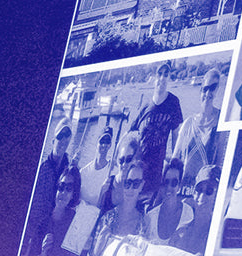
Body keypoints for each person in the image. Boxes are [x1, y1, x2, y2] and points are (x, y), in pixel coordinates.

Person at [128, 62, 183, 201]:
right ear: (154, 77)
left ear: (169, 78)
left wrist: (175, 158)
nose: (162, 78)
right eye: (159, 74)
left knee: (151, 202)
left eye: (166, 74)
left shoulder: (173, 102)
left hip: (157, 167)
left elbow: (176, 134)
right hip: (139, 165)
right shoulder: (146, 105)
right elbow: (130, 134)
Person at [22, 122, 73, 256]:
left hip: (56, 229)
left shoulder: (70, 171)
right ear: (52, 140)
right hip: (37, 229)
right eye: (60, 136)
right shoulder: (41, 169)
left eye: (67, 135)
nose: (63, 140)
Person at [173, 67, 224, 190]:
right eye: (205, 89)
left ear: (217, 90)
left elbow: (220, 162)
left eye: (212, 88)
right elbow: (175, 159)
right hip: (184, 188)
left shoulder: (221, 122)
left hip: (204, 190)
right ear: (201, 90)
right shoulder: (188, 123)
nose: (208, 93)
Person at [88, 160, 148, 256]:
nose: (130, 189)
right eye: (128, 183)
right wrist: (98, 247)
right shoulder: (107, 218)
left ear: (142, 185)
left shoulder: (142, 225)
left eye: (136, 183)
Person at [38, 164, 87, 256]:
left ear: (73, 194)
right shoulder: (42, 219)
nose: (63, 192)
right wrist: (42, 253)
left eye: (69, 188)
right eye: (61, 186)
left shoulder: (76, 223)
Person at [145, 158, 195, 247]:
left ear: (179, 185)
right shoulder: (150, 217)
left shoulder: (189, 213)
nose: (169, 187)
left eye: (174, 182)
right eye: (165, 182)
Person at [76, 124, 115, 218]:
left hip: (97, 218)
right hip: (79, 216)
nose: (104, 145)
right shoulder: (83, 172)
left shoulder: (113, 171)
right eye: (102, 141)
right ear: (97, 143)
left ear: (110, 145)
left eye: (107, 142)